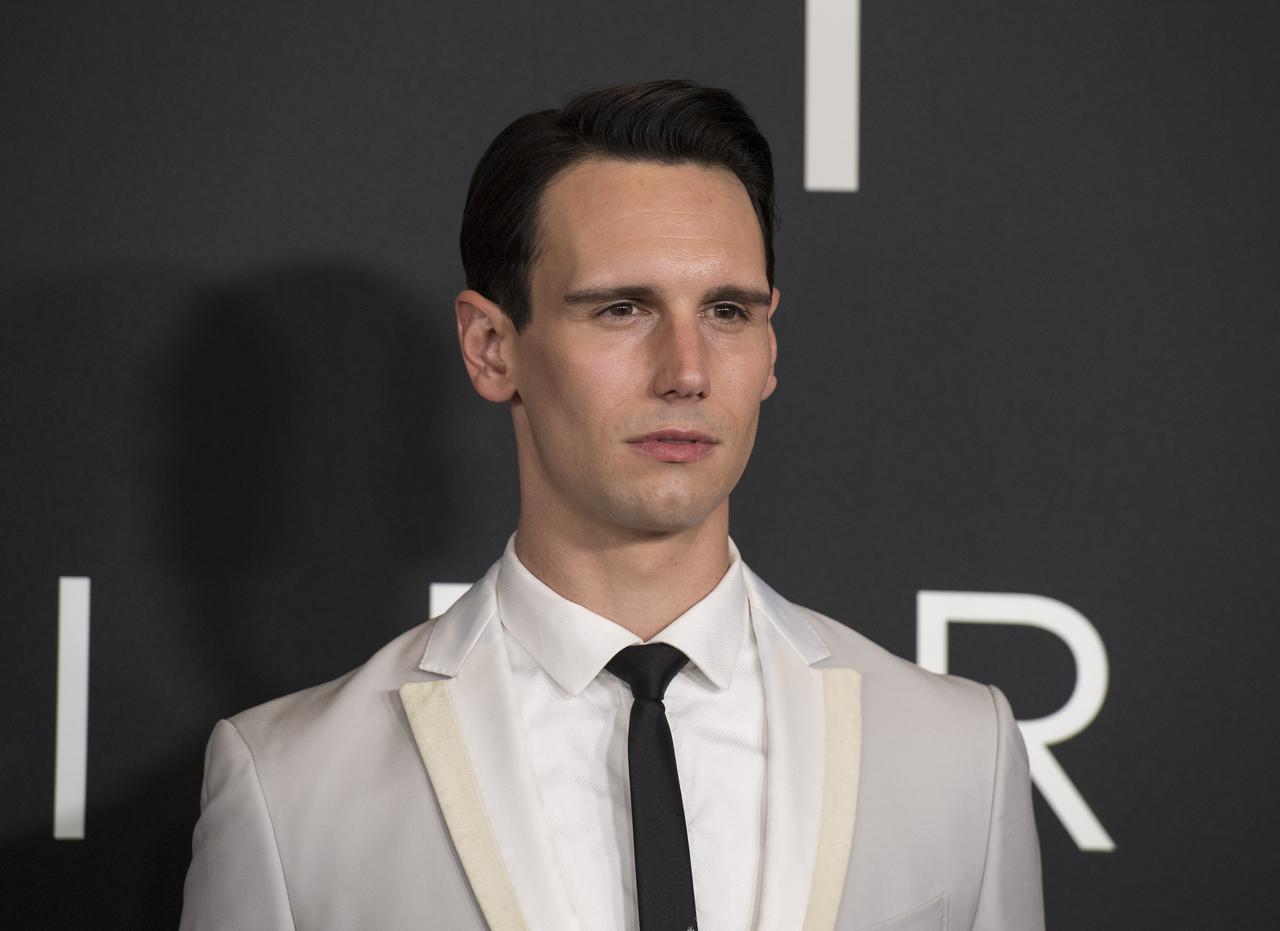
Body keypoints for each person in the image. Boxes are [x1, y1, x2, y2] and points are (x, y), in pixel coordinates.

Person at [179, 80, 1044, 931]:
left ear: (770, 345)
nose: (687, 371)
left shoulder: (960, 751)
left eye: (728, 311)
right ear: (491, 346)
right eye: (623, 309)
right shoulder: (289, 787)